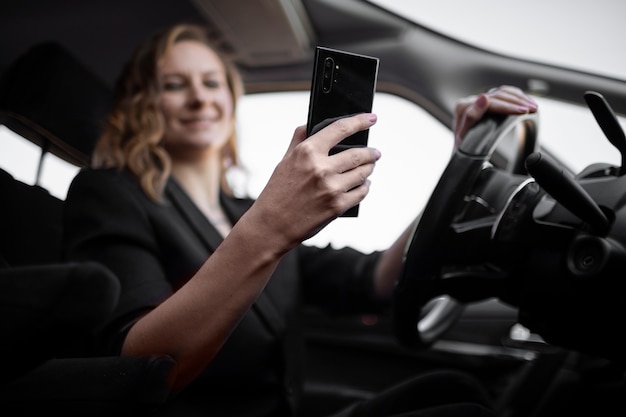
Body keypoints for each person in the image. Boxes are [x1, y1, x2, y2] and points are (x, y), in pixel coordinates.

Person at [62, 23, 538, 417]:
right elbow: (139, 365)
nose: (199, 98)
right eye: (174, 84)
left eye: (212, 82)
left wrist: (458, 169)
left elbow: (373, 280)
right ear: (141, 103)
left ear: (230, 100)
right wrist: (272, 225)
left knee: (454, 391)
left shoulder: (239, 210)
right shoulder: (111, 193)